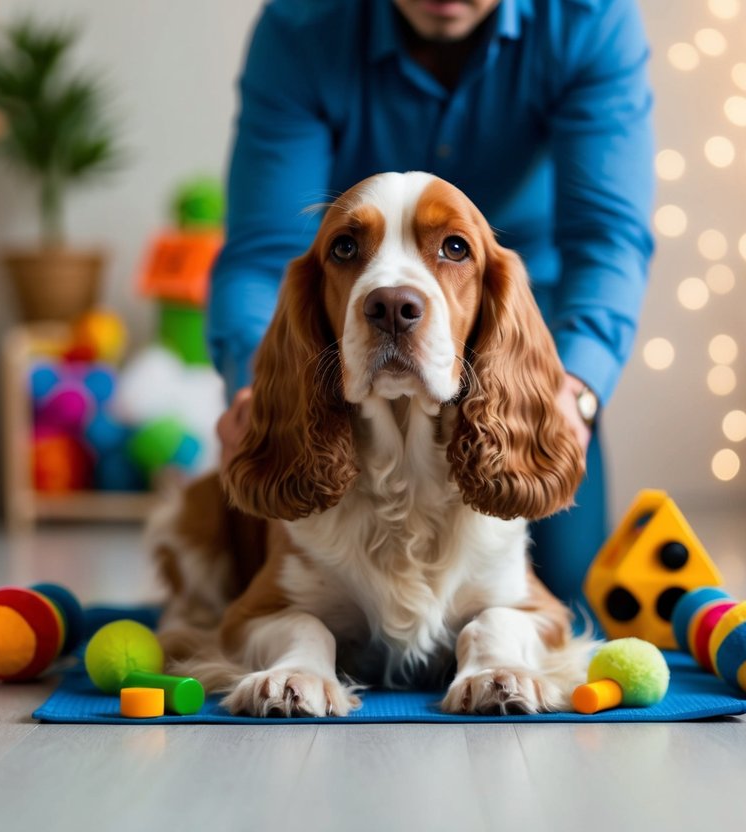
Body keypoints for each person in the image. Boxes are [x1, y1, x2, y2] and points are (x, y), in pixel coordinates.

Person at [209, 0, 655, 613]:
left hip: (513, 309)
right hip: (347, 310)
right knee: (267, 522)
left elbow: (607, 236)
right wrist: (252, 387)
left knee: (576, 583)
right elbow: (265, 252)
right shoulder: (301, 26)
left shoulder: (588, 18)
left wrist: (575, 389)